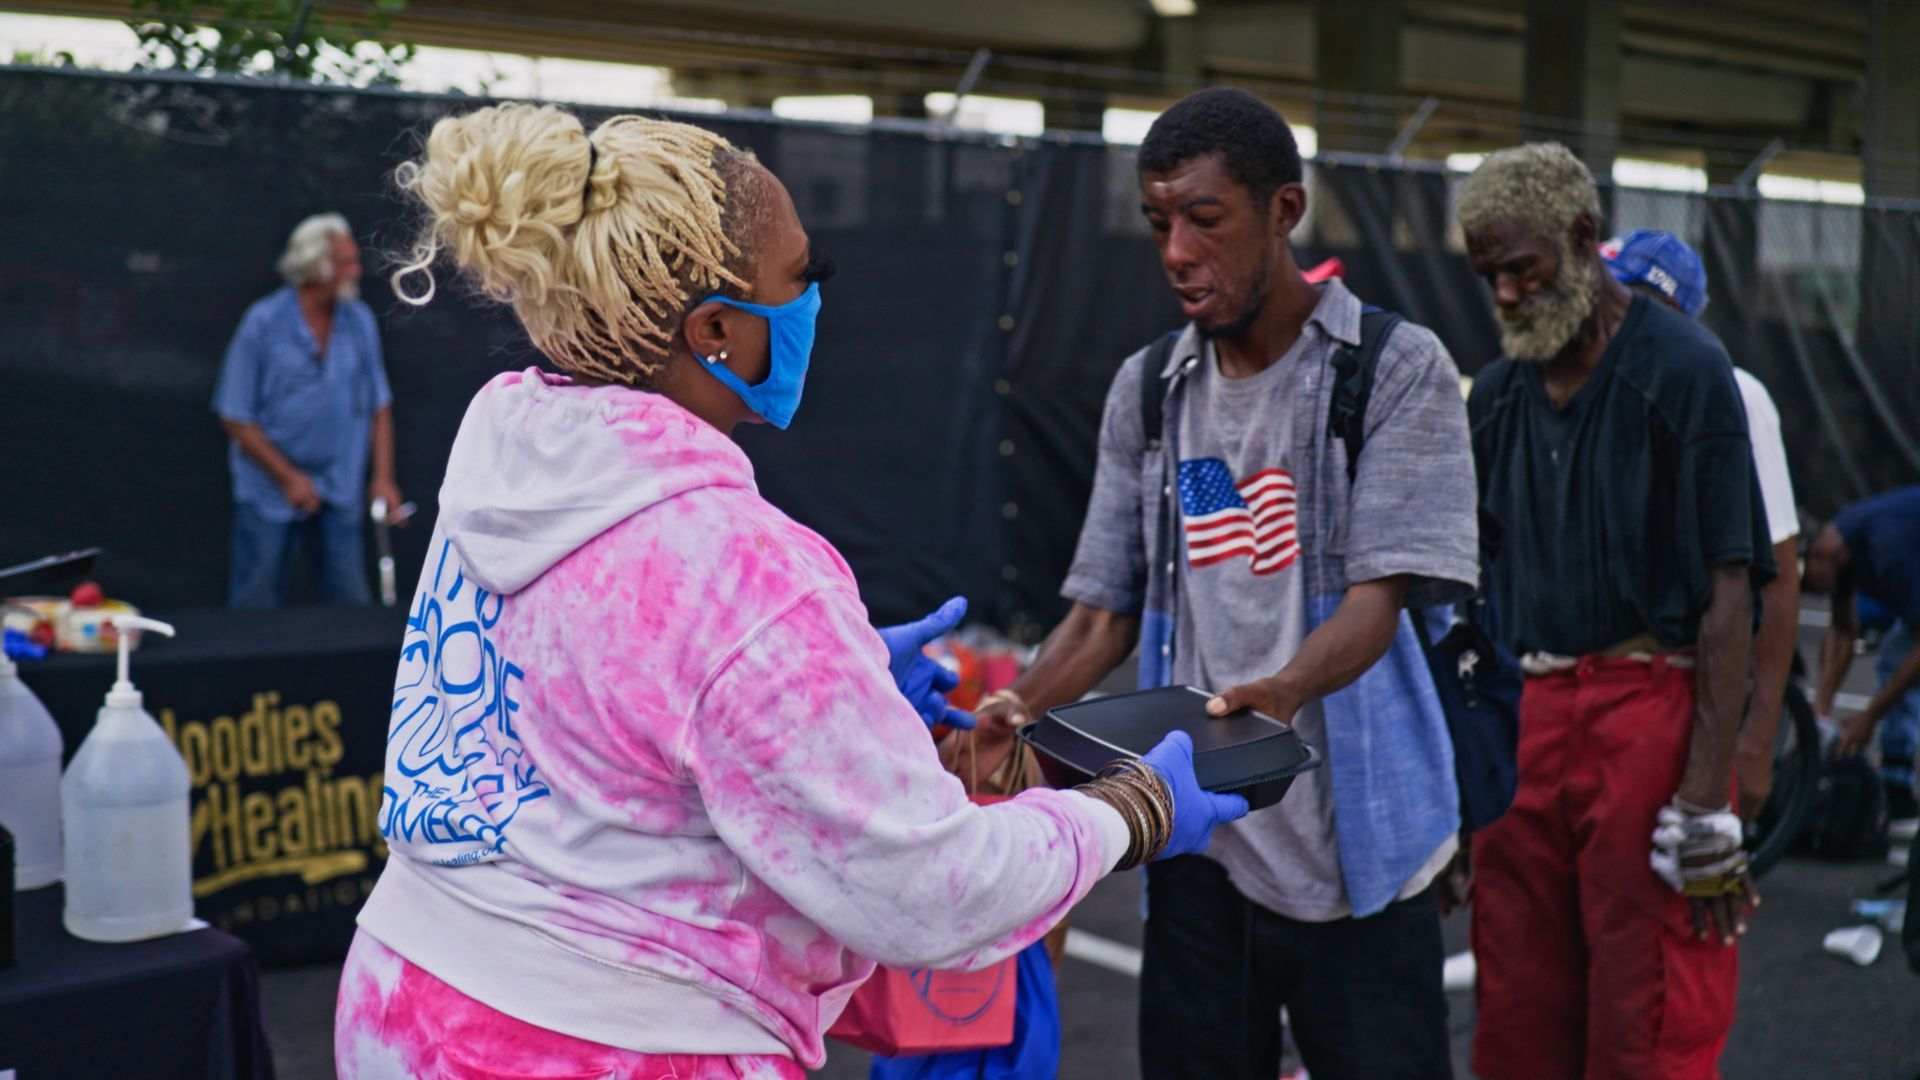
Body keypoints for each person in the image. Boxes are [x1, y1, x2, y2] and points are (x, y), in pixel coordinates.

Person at [332, 103, 1248, 1079]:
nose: (815, 300)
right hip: (605, 1043)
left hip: (404, 1001)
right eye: (803, 279)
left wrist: (828, 685)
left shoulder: (510, 470)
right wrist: (1133, 811)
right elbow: (933, 890)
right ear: (717, 330)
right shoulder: (742, 573)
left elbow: (592, 724)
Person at [971, 87, 1478, 1080]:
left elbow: (1379, 604)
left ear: (1284, 211)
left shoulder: (1395, 368)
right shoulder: (1150, 388)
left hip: (1360, 856)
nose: (1174, 251)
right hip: (1200, 846)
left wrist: (1281, 695)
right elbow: (1103, 611)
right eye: (1160, 222)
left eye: (1205, 219)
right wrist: (1019, 706)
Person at [1457, 143, 1774, 1079]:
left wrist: (1708, 795)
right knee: (1517, 1002)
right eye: (1489, 276)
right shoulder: (1501, 393)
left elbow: (1733, 591)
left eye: (1524, 268)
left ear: (1585, 239)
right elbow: (1465, 586)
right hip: (1526, 710)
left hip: (1649, 705)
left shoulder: (1685, 369)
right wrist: (1459, 771)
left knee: (1650, 1008)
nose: (1508, 295)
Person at [1600, 228, 1802, 821]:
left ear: (1671, 311)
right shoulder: (1589, 393)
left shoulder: (1735, 395)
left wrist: (1757, 739)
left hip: (1679, 697)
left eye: (1625, 298)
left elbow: (1778, 579)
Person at [212, 213, 406, 608]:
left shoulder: (360, 321)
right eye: (346, 263)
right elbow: (234, 414)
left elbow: (379, 406)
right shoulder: (262, 323)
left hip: (341, 487)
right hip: (268, 490)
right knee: (255, 605)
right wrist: (288, 478)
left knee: (351, 608)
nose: (356, 271)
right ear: (317, 268)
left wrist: (383, 478)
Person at [1803, 486, 1920, 828]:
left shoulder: (1887, 548)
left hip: (1906, 560)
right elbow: (1842, 629)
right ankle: (1897, 793)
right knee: (1894, 659)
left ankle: (1900, 799)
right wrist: (1821, 711)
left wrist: (1869, 717)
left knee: (1898, 662)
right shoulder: (1841, 545)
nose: (1811, 593)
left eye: (1808, 583)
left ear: (1819, 556)